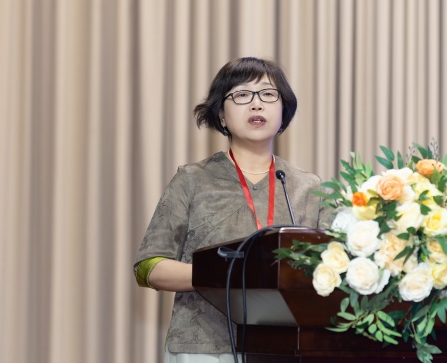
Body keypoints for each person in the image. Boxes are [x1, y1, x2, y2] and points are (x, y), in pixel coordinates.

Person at [134, 56, 333, 362]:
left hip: (287, 347)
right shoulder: (192, 180)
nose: (256, 104)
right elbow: (148, 267)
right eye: (241, 95)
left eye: (268, 94)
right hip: (203, 347)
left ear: (283, 111)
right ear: (221, 116)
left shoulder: (310, 187)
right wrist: (228, 275)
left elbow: (336, 268)